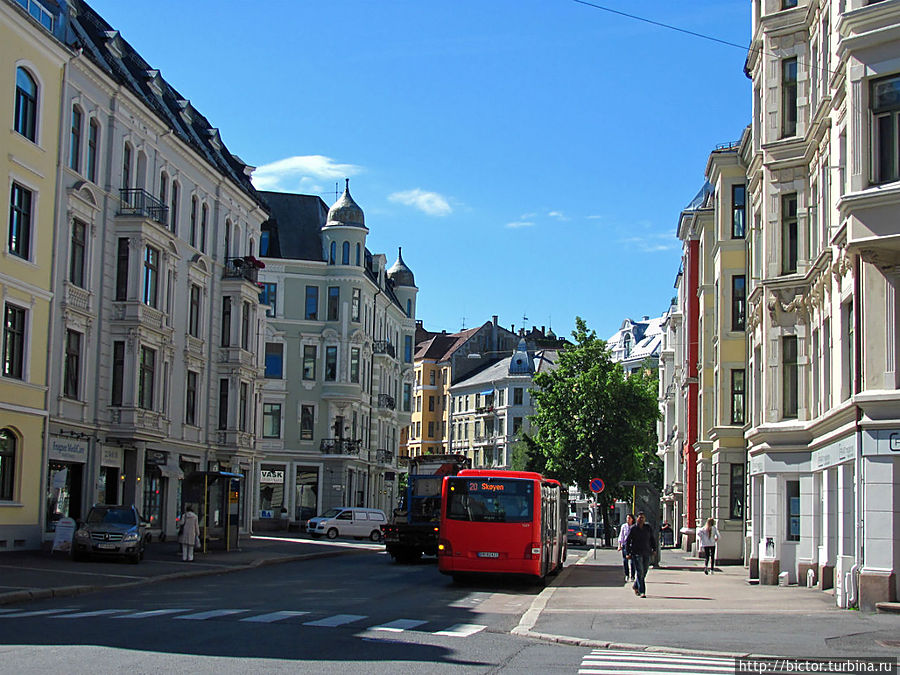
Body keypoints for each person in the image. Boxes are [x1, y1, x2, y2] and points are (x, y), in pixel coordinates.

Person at [625, 512, 657, 598]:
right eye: (640, 518)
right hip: (636, 553)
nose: (641, 519)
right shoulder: (633, 529)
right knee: (640, 571)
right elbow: (627, 542)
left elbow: (652, 539)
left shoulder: (647, 528)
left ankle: (636, 585)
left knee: (645, 571)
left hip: (646, 552)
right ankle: (642, 591)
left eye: (643, 518)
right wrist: (628, 553)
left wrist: (654, 549)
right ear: (637, 519)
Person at [617, 514, 635, 582]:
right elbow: (621, 536)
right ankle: (627, 574)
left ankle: (632, 575)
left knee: (633, 561)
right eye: (627, 518)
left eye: (629, 518)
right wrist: (619, 545)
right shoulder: (624, 526)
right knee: (625, 560)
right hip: (625, 545)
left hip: (632, 545)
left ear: (632, 519)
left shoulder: (634, 527)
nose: (628, 519)